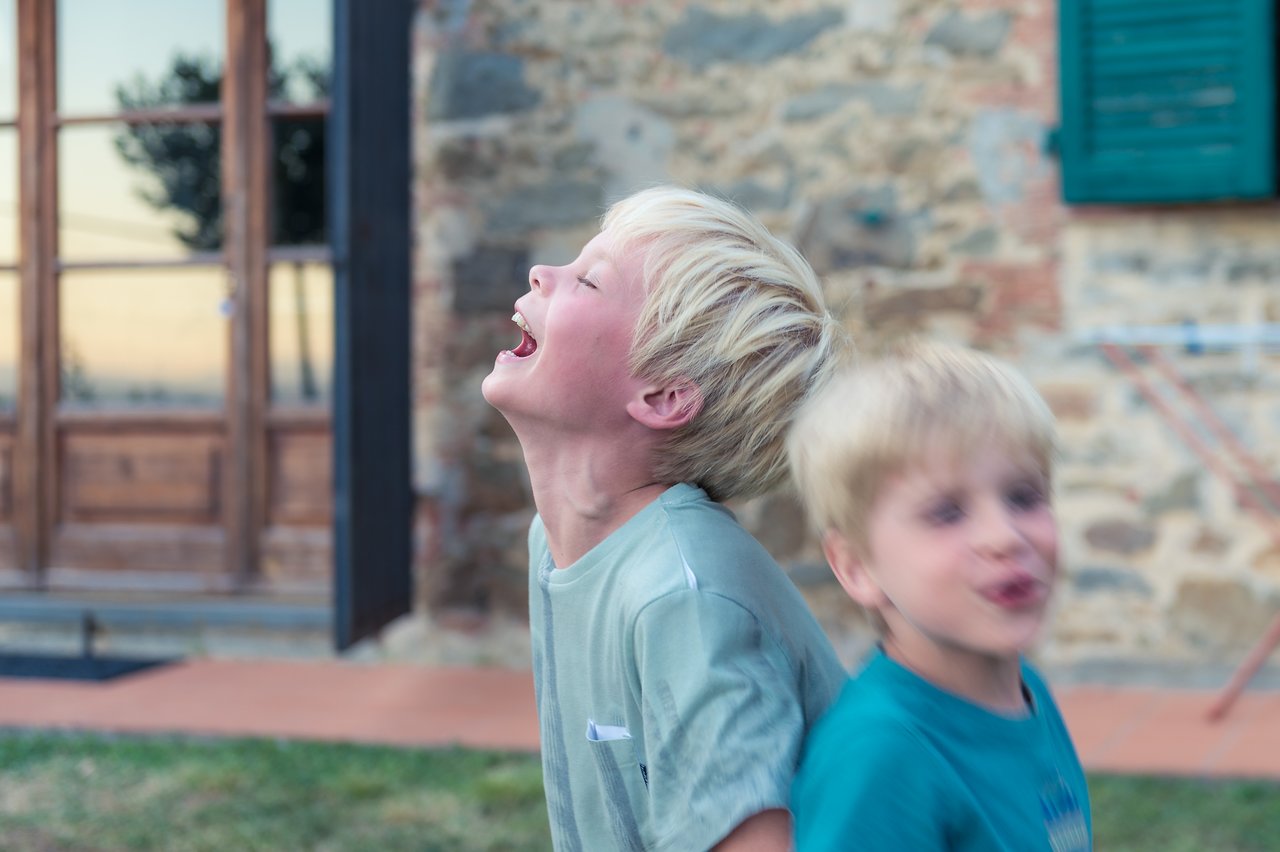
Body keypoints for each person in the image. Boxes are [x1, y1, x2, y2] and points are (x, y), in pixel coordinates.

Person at [481, 185, 849, 851]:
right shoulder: (556, 541)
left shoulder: (685, 598)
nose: (543, 273)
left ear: (664, 394)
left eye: (589, 282)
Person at [786, 341, 1092, 851]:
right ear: (857, 567)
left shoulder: (1026, 692)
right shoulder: (880, 755)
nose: (1005, 536)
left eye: (1023, 496)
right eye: (947, 513)